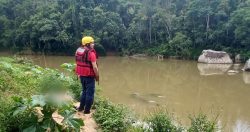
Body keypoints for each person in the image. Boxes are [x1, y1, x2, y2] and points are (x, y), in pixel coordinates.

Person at [75, 36, 99, 114]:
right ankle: (87, 111)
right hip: (89, 76)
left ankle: (81, 108)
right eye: (92, 43)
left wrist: (78, 74)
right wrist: (97, 76)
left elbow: (77, 63)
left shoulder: (78, 51)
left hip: (82, 75)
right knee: (90, 93)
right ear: (88, 44)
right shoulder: (91, 53)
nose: (93, 44)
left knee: (84, 91)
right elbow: (95, 67)